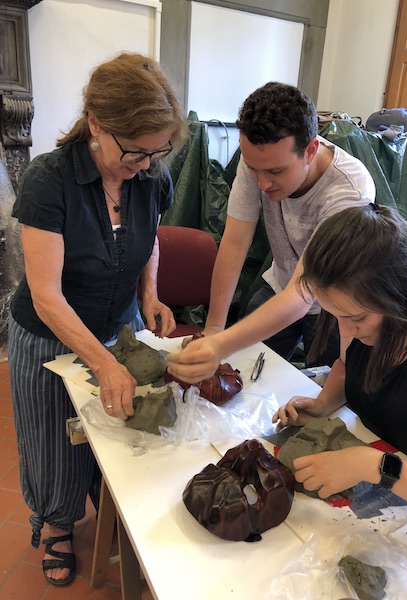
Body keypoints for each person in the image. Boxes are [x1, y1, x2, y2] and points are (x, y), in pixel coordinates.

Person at [8, 52, 187, 586]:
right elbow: (45, 296)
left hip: (120, 323)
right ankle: (59, 524)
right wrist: (104, 363)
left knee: (117, 438)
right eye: (135, 151)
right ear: (95, 127)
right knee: (55, 443)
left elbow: (149, 236)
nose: (148, 163)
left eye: (159, 151)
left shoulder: (150, 175)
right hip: (50, 336)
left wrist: (150, 293)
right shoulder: (50, 180)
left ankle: (108, 507)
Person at [271, 204, 407, 522]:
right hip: (379, 510)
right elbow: (345, 365)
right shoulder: (353, 322)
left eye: (357, 318)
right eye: (335, 315)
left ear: (403, 295)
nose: (346, 330)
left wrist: (377, 466)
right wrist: (324, 402)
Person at [180, 82, 375, 368]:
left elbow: (303, 292)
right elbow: (234, 244)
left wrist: (221, 344)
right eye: (253, 168)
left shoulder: (349, 191)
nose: (263, 183)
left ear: (310, 150)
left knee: (325, 387)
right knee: (243, 370)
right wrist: (213, 329)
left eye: (275, 171)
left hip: (335, 305)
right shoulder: (258, 163)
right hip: (281, 283)